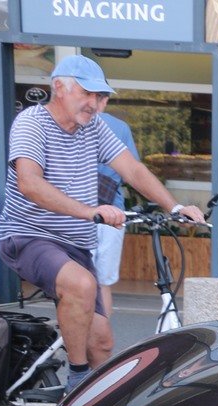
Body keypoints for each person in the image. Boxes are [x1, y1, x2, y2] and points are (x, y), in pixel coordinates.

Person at [0, 55, 204, 392]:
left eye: (99, 96)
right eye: (86, 93)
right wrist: (89, 211)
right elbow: (29, 184)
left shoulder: (93, 127)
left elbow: (132, 169)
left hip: (75, 244)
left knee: (103, 342)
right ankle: (77, 382)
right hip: (29, 236)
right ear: (59, 87)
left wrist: (176, 206)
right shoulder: (32, 122)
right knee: (80, 284)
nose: (93, 103)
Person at [91, 106, 138, 326]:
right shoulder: (120, 127)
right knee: (103, 283)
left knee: (75, 281)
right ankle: (101, 334)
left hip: (74, 211)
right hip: (112, 212)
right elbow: (131, 171)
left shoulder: (66, 122)